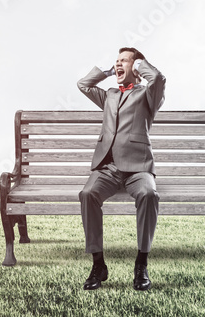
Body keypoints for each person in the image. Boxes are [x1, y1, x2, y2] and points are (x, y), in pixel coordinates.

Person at [76, 47, 166, 291]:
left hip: (138, 169)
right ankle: (98, 264)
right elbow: (83, 85)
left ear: (136, 67)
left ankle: (141, 264)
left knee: (149, 195)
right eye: (116, 61)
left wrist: (139, 64)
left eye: (123, 61)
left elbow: (158, 78)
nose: (118, 64)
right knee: (87, 194)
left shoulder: (148, 94)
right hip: (108, 167)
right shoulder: (110, 95)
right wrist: (107, 72)